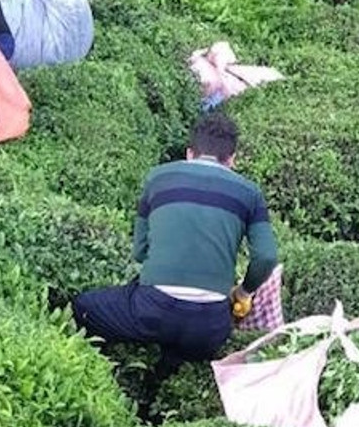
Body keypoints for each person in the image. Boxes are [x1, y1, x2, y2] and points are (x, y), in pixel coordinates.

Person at [71, 112, 278, 420]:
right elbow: (265, 257)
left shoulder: (158, 178)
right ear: (232, 159)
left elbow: (140, 252)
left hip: (151, 310)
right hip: (210, 326)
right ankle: (159, 391)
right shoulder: (250, 193)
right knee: (180, 352)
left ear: (189, 152)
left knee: (82, 307)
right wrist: (244, 292)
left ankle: (110, 387)